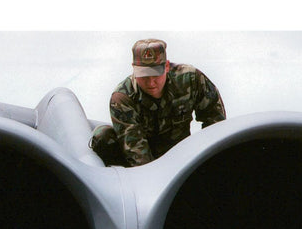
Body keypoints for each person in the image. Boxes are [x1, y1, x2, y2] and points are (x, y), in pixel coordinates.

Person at [90, 38, 226, 167]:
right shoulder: (123, 98)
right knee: (103, 136)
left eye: (156, 74)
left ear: (166, 66)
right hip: (140, 161)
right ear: (134, 68)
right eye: (144, 75)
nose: (151, 82)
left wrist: (207, 161)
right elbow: (137, 153)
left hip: (180, 153)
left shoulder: (190, 79)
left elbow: (215, 122)